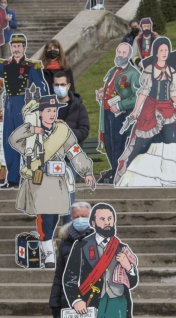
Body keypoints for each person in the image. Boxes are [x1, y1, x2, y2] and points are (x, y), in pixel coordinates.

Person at [9, 95, 96, 268]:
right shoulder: (31, 132)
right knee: (45, 218)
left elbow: (74, 151)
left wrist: (86, 171)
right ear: (41, 113)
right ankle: (48, 252)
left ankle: (66, 249)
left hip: (58, 181)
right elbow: (13, 140)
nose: (52, 114)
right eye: (48, 110)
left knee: (61, 216)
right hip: (39, 181)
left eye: (54, 110)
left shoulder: (62, 130)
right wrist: (31, 130)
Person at [115, 38, 176, 187]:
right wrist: (136, 111)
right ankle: (138, 177)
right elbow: (143, 92)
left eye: (166, 50)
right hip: (151, 109)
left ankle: (167, 177)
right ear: (156, 52)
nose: (164, 53)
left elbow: (173, 93)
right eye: (161, 50)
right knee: (143, 144)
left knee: (172, 141)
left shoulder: (172, 71)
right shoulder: (150, 70)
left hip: (168, 110)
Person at [0, 34, 48, 189]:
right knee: (8, 141)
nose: (16, 49)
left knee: (24, 139)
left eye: (19, 46)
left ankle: (26, 174)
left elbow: (42, 86)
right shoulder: (5, 65)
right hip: (8, 103)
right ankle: (12, 178)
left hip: (22, 103)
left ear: (24, 48)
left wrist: (43, 106)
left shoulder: (30, 66)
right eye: (14, 46)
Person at [96, 43, 140, 184]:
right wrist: (102, 94)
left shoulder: (133, 74)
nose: (119, 54)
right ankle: (115, 171)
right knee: (109, 144)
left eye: (123, 53)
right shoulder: (113, 70)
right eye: (118, 51)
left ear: (128, 55)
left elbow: (138, 96)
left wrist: (120, 105)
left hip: (121, 116)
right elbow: (109, 88)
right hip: (107, 114)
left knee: (118, 145)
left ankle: (118, 174)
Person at [54, 71, 90, 224]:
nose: (59, 87)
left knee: (68, 194)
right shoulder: (48, 106)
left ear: (68, 85)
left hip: (70, 158)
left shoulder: (78, 107)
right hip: (50, 158)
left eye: (62, 84)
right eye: (56, 85)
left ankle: (68, 230)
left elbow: (84, 131)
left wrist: (65, 129)